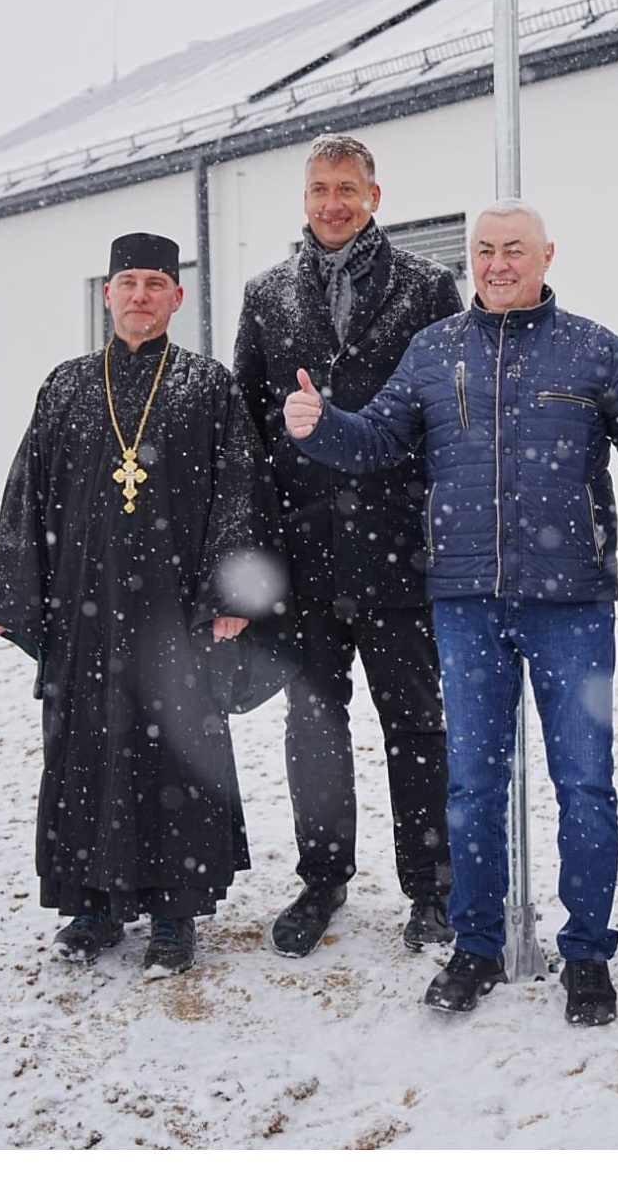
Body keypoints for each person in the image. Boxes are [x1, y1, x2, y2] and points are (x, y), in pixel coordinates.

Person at [283, 200, 618, 1027]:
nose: (497, 264)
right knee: (472, 788)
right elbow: (377, 440)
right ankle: (475, 946)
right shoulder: (435, 350)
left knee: (585, 785)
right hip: (465, 600)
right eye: (483, 250)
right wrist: (320, 426)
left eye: (514, 249)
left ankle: (587, 955)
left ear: (546, 255)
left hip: (571, 602)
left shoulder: (593, 348)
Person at [0, 232, 292, 979]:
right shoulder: (65, 386)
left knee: (176, 753)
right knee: (85, 750)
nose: (141, 296)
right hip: (82, 605)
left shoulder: (208, 387)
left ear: (177, 297)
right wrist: (13, 589)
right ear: (107, 294)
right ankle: (92, 906)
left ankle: (174, 913)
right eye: (129, 283)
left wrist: (228, 595)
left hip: (173, 611)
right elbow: (28, 489)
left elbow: (240, 492)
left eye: (156, 283)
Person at [232, 134, 464, 958]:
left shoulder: (427, 287)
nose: (333, 203)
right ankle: (322, 878)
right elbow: (247, 436)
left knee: (416, 724)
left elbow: (448, 418)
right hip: (305, 556)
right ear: (304, 199)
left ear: (374, 196)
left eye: (347, 188)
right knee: (314, 726)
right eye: (319, 189)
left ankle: (432, 889)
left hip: (401, 550)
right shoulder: (266, 296)